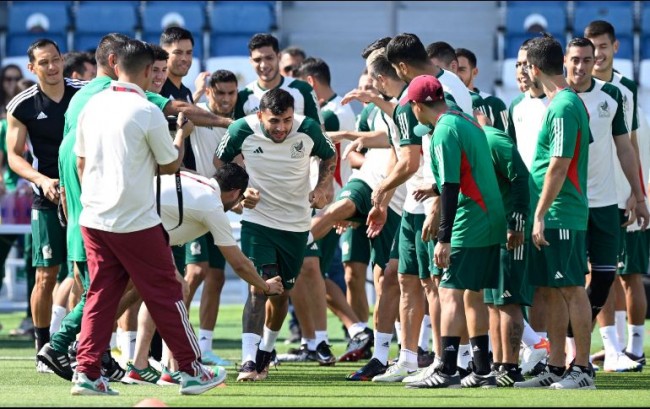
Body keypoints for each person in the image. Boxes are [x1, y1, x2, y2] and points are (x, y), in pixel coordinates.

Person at [73, 39, 225, 396]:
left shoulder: (92, 106)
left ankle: (87, 371)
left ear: (114, 65)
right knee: (167, 291)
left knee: (101, 293)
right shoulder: (146, 110)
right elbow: (171, 164)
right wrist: (180, 136)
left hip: (94, 216)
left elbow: (80, 162)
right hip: (135, 218)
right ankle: (190, 369)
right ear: (145, 71)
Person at [121, 164, 284, 386]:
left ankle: (146, 365)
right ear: (236, 193)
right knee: (153, 290)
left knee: (162, 289)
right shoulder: (212, 205)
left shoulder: (200, 182)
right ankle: (188, 367)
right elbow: (239, 264)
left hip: (133, 222)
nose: (237, 204)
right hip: (134, 227)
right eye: (238, 199)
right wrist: (265, 286)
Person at [214, 88, 337, 381]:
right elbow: (221, 163)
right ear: (260, 116)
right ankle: (247, 360)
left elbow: (329, 156)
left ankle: (265, 352)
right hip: (258, 221)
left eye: (286, 120)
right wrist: (242, 190)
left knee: (281, 293)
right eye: (274, 122)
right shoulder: (241, 129)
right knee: (260, 287)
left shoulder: (308, 129)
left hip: (296, 225)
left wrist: (322, 187)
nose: (281, 128)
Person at [397, 75, 505, 389]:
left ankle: (446, 368)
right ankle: (483, 370)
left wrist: (443, 238)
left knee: (450, 292)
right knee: (473, 295)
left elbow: (452, 187)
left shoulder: (443, 130)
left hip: (471, 219)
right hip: (490, 215)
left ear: (417, 105)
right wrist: (435, 187)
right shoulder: (465, 121)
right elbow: (467, 171)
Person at [512, 34, 594, 390]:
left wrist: (541, 213)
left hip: (561, 213)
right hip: (553, 212)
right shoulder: (565, 104)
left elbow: (559, 165)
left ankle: (583, 369)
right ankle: (557, 365)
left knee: (572, 288)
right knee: (550, 288)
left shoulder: (562, 106)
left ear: (533, 68)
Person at [564, 36, 647, 372]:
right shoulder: (556, 99)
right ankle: (565, 353)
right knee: (564, 282)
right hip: (566, 205)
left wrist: (638, 194)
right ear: (565, 62)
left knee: (605, 277)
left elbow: (626, 148)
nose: (582, 66)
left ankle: (595, 345)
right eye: (576, 60)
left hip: (605, 203)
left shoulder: (612, 95)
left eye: (587, 59)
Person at [6, 38, 84, 371]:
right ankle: (43, 348)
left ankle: (78, 342)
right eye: (44, 62)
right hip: (46, 194)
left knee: (83, 272)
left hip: (84, 195)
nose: (52, 67)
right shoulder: (21, 105)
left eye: (56, 60)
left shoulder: (84, 93)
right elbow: (13, 156)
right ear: (32, 67)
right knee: (45, 275)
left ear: (63, 59)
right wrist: (42, 181)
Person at [506, 39, 552, 376]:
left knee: (548, 285)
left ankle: (549, 352)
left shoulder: (558, 105)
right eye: (517, 64)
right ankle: (536, 350)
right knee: (521, 285)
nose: (522, 70)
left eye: (526, 63)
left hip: (552, 207)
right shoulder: (515, 108)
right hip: (522, 207)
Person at [455, 47, 509, 132]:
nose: (456, 75)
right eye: (452, 70)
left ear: (474, 72)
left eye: (461, 70)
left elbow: (505, 141)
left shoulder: (494, 104)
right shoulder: (442, 103)